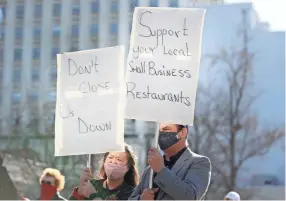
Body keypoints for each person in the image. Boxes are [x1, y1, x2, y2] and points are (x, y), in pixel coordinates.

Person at [129, 123, 211, 200]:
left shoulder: (199, 162)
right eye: (159, 130)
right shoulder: (150, 170)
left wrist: (161, 170)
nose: (161, 134)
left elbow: (191, 197)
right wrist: (141, 199)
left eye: (166, 129)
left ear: (182, 132)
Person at [70, 144, 139, 200]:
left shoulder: (132, 194)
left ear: (128, 167)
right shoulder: (91, 184)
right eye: (111, 157)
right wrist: (80, 191)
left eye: (119, 160)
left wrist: (93, 195)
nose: (113, 162)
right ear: (104, 162)